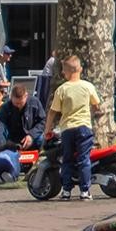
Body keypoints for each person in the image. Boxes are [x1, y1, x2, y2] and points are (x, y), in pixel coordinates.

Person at [46, 55, 106, 200]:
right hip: (84, 127)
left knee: (67, 159)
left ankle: (66, 190)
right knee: (84, 159)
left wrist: (47, 129)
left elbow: (53, 112)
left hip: (67, 128)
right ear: (80, 69)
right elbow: (97, 105)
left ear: (64, 72)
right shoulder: (87, 86)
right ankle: (85, 191)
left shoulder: (62, 89)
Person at [0, 80, 45, 152]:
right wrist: (2, 145)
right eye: (16, 103)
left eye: (20, 103)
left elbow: (43, 121)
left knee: (41, 139)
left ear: (26, 96)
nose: (18, 106)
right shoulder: (6, 107)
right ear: (11, 97)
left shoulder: (35, 103)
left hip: (31, 137)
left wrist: (32, 135)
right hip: (13, 140)